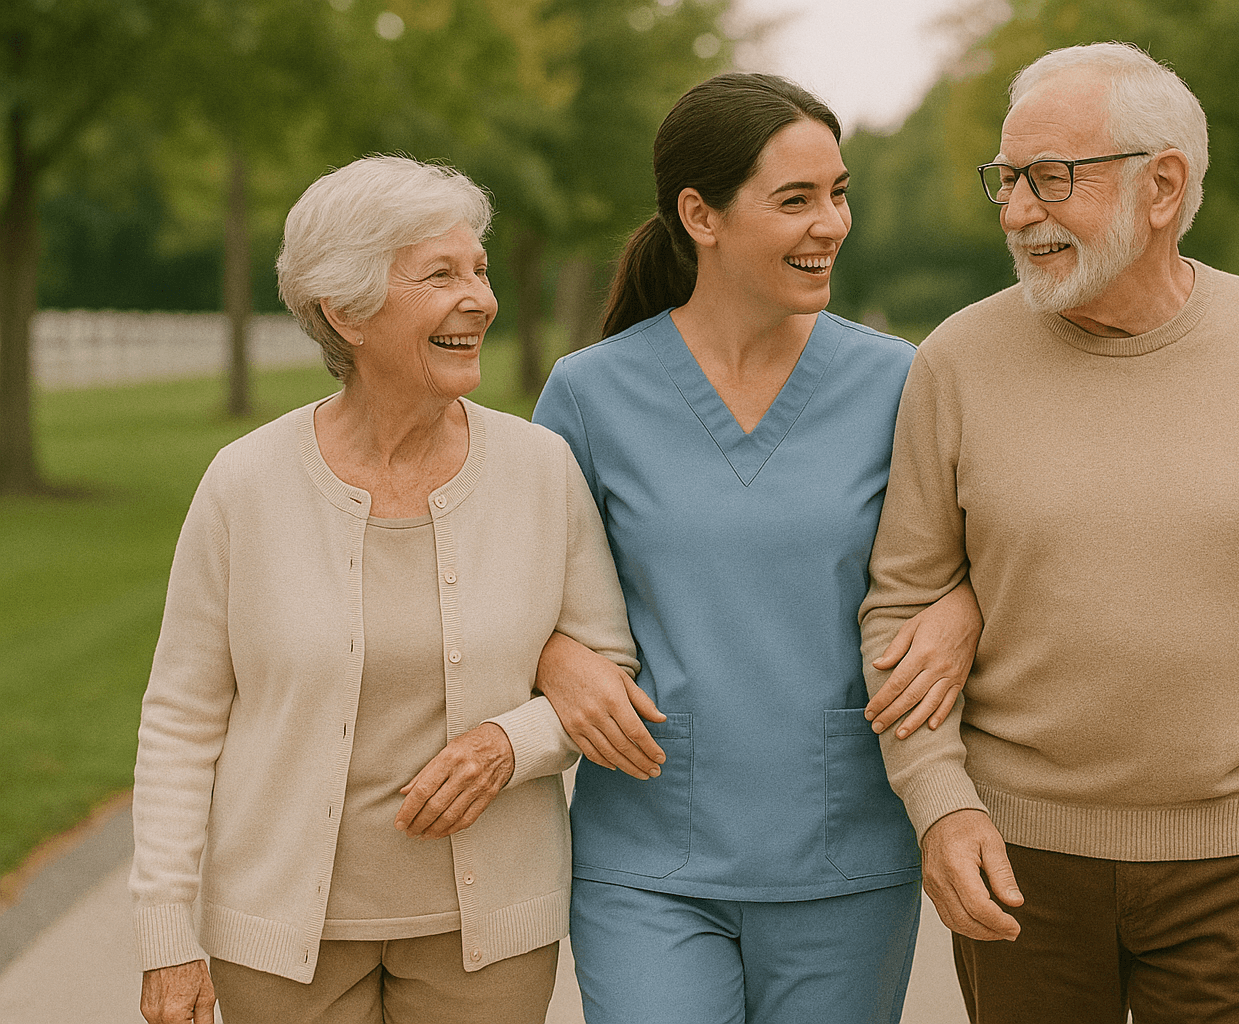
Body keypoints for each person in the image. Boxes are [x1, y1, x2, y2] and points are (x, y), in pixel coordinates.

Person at [859, 42, 1239, 1024]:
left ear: (1163, 186)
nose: (1016, 212)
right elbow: (902, 602)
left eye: (1050, 180)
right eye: (1007, 180)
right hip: (1020, 863)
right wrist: (940, 801)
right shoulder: (954, 363)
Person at [131, 155, 636, 1024]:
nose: (479, 298)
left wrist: (509, 743)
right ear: (345, 310)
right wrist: (167, 936)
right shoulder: (244, 483)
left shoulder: (540, 470)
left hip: (489, 942)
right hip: (279, 945)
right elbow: (182, 717)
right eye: (440, 275)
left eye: (478, 270)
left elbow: (607, 667)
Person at [528, 73, 982, 1024]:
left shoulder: (901, 381)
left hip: (845, 855)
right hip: (648, 860)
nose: (833, 224)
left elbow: (1001, 544)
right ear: (701, 214)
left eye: (839, 192)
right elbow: (515, 586)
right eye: (796, 200)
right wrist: (554, 654)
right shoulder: (588, 394)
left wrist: (963, 607)